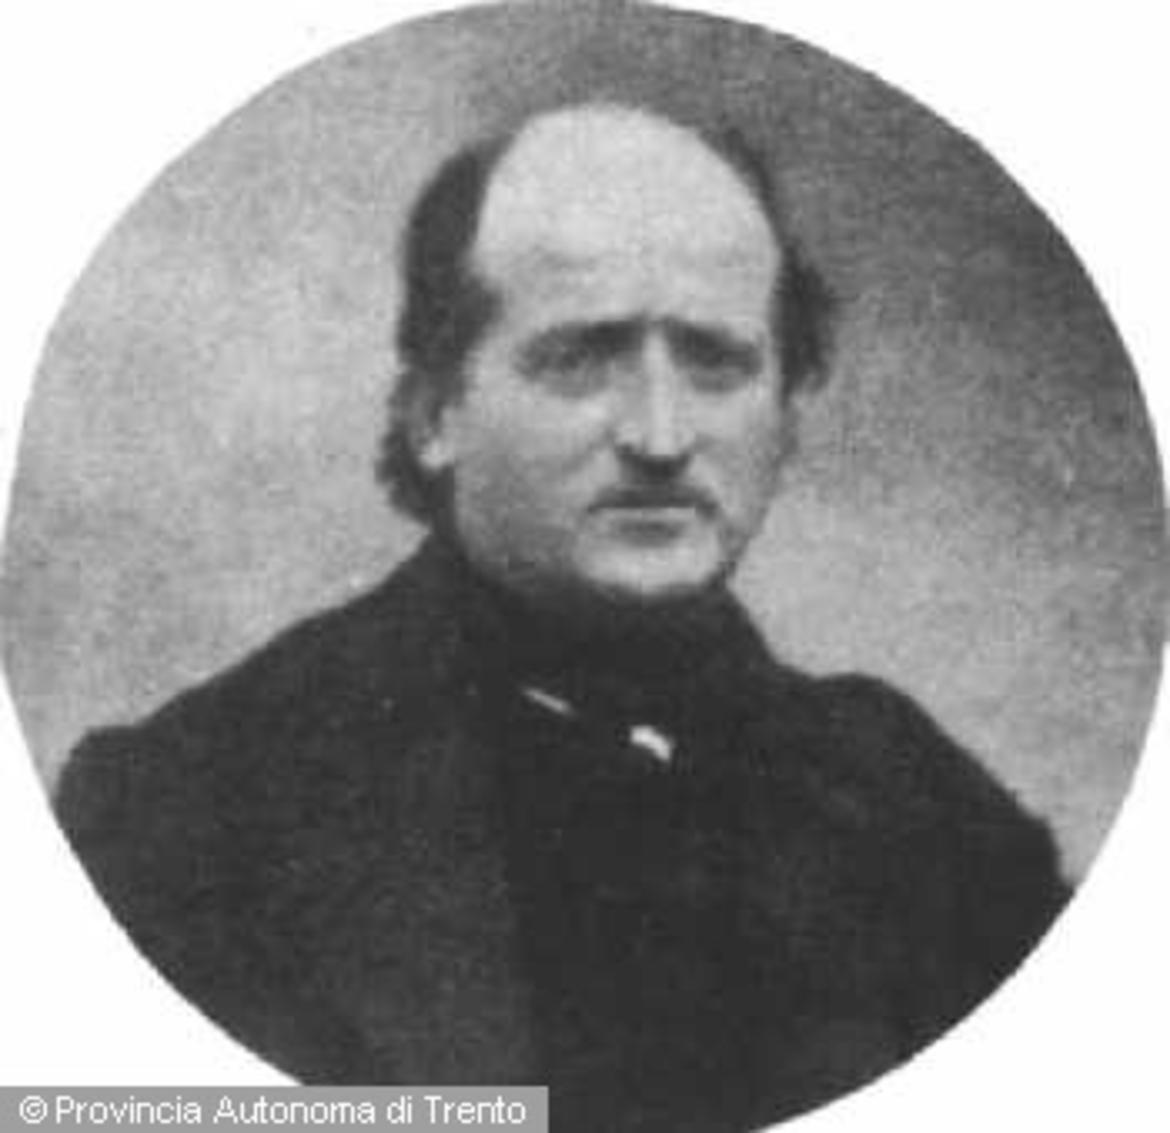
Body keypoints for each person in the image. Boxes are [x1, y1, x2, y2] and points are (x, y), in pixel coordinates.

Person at [56, 101, 1070, 1132]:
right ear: (435, 412)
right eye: (581, 357)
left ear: (786, 413)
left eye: (717, 360)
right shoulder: (189, 814)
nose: (660, 435)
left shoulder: (925, 814)